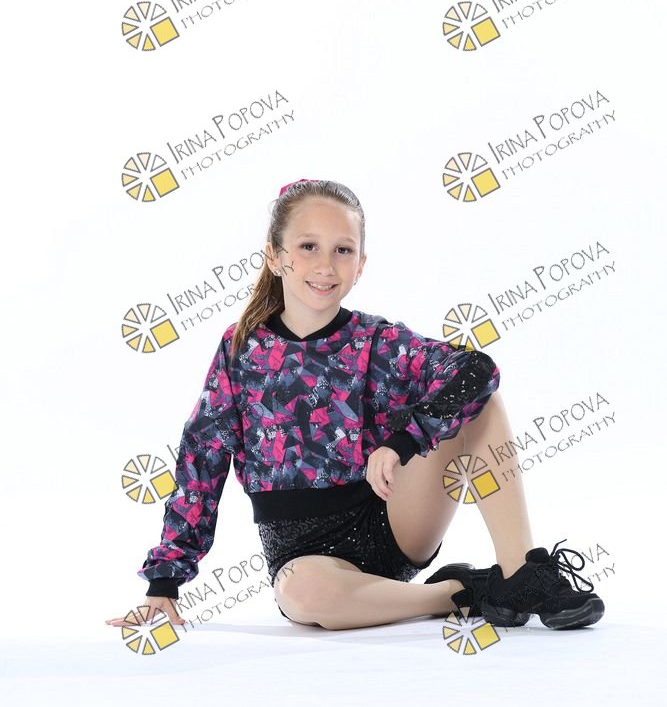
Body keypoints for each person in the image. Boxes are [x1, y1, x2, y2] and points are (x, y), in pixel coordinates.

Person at [106, 179, 604, 633]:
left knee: (481, 401)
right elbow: (202, 456)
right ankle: (461, 592)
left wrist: (401, 443)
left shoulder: (376, 340)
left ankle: (519, 573)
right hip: (306, 558)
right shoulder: (242, 349)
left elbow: (476, 370)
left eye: (342, 250)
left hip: (393, 522)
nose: (326, 266)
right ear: (275, 256)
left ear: (360, 264)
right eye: (308, 247)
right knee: (304, 596)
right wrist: (165, 582)